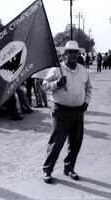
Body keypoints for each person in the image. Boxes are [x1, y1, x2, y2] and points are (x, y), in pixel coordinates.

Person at [42, 40, 92, 184]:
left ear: (79, 54)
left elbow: (88, 88)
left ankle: (69, 168)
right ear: (64, 54)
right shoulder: (57, 69)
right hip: (61, 111)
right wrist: (57, 83)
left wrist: (86, 102)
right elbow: (44, 86)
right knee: (56, 143)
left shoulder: (82, 69)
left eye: (75, 52)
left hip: (78, 112)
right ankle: (47, 170)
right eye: (70, 52)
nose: (73, 55)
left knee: (75, 142)